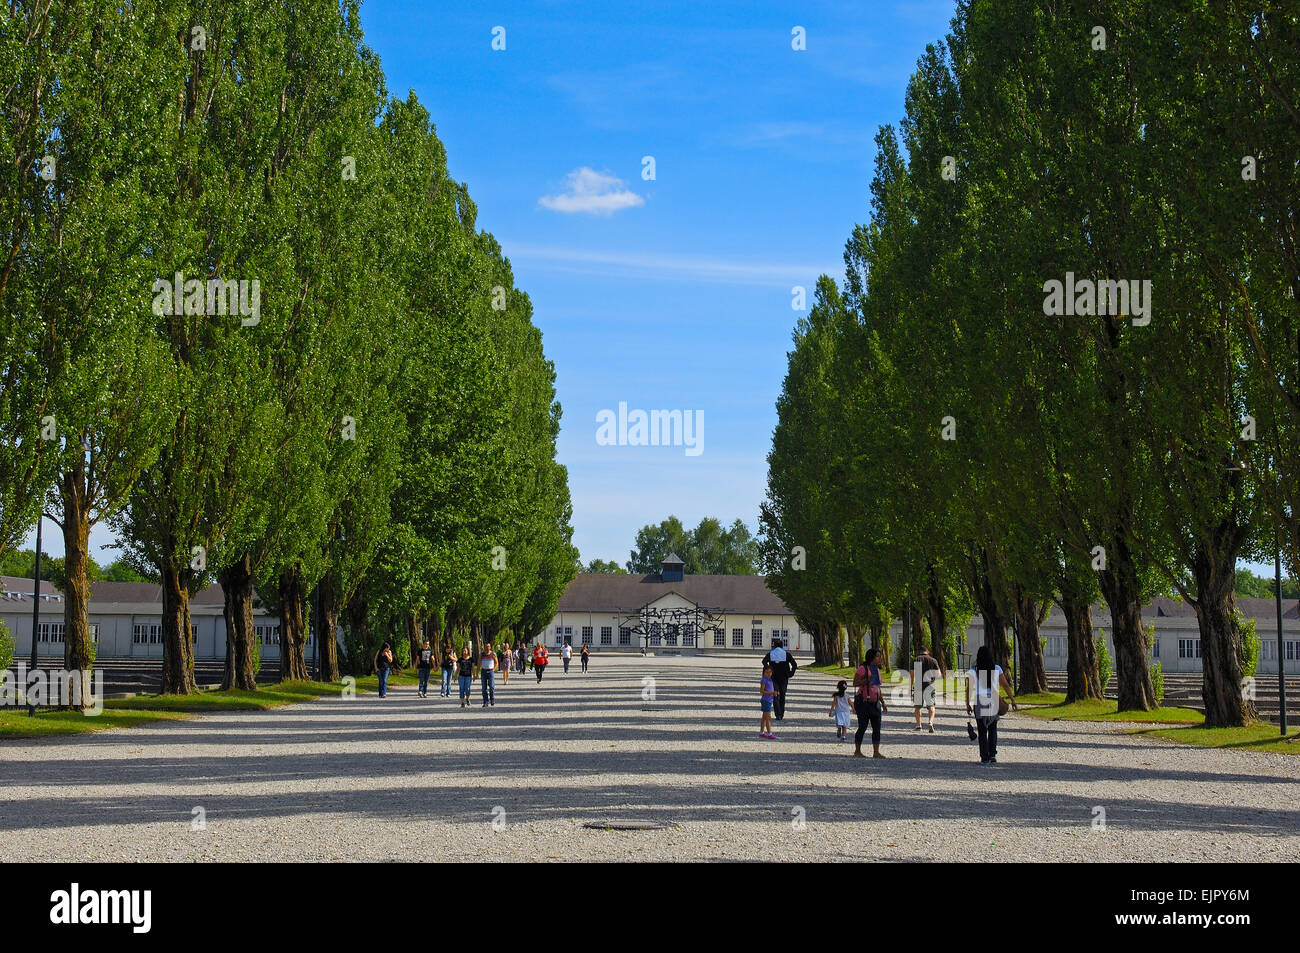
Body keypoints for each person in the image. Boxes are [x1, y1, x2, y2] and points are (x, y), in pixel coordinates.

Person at [966, 645, 1017, 764]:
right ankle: (992, 754)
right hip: (993, 700)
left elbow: (969, 689)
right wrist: (1012, 700)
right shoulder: (997, 668)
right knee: (993, 728)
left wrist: (967, 704)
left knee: (982, 730)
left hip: (979, 700)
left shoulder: (974, 670)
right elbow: (1005, 685)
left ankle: (984, 757)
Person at [852, 647, 887, 758]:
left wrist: (883, 702)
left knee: (877, 728)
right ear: (872, 657)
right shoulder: (863, 669)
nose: (880, 658)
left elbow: (877, 688)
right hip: (863, 703)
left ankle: (876, 752)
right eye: (878, 656)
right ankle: (857, 751)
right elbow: (855, 682)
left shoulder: (876, 670)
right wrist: (867, 681)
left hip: (875, 703)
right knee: (862, 727)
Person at [762, 636, 798, 720]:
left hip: (773, 676)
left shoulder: (770, 654)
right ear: (782, 646)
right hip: (783, 676)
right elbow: (794, 665)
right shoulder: (787, 654)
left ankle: (777, 714)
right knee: (782, 695)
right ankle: (781, 713)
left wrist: (768, 669)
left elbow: (763, 661)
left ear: (774, 646)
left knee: (775, 694)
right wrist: (790, 673)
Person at [910, 646, 942, 733]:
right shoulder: (933, 660)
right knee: (931, 706)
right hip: (930, 686)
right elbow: (939, 674)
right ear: (927, 651)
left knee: (917, 707)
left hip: (918, 686)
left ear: (919, 651)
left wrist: (911, 686)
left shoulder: (916, 660)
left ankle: (918, 725)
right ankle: (930, 722)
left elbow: (912, 674)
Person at [759, 664, 778, 739]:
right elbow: (761, 690)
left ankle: (761, 731)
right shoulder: (764, 680)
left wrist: (774, 693)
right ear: (764, 672)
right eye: (767, 672)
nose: (768, 674)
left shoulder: (770, 679)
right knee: (768, 717)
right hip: (766, 700)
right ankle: (769, 733)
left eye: (770, 672)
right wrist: (771, 693)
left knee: (764, 717)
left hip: (769, 700)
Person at [480, 642, 497, 707]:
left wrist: (494, 669)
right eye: (486, 646)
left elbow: (496, 662)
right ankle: (485, 701)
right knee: (484, 688)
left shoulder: (493, 654)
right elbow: (479, 663)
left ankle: (492, 699)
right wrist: (476, 673)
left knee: (491, 686)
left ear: (490, 647)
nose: (487, 648)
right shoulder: (482, 654)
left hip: (490, 671)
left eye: (488, 646)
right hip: (483, 671)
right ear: (484, 647)